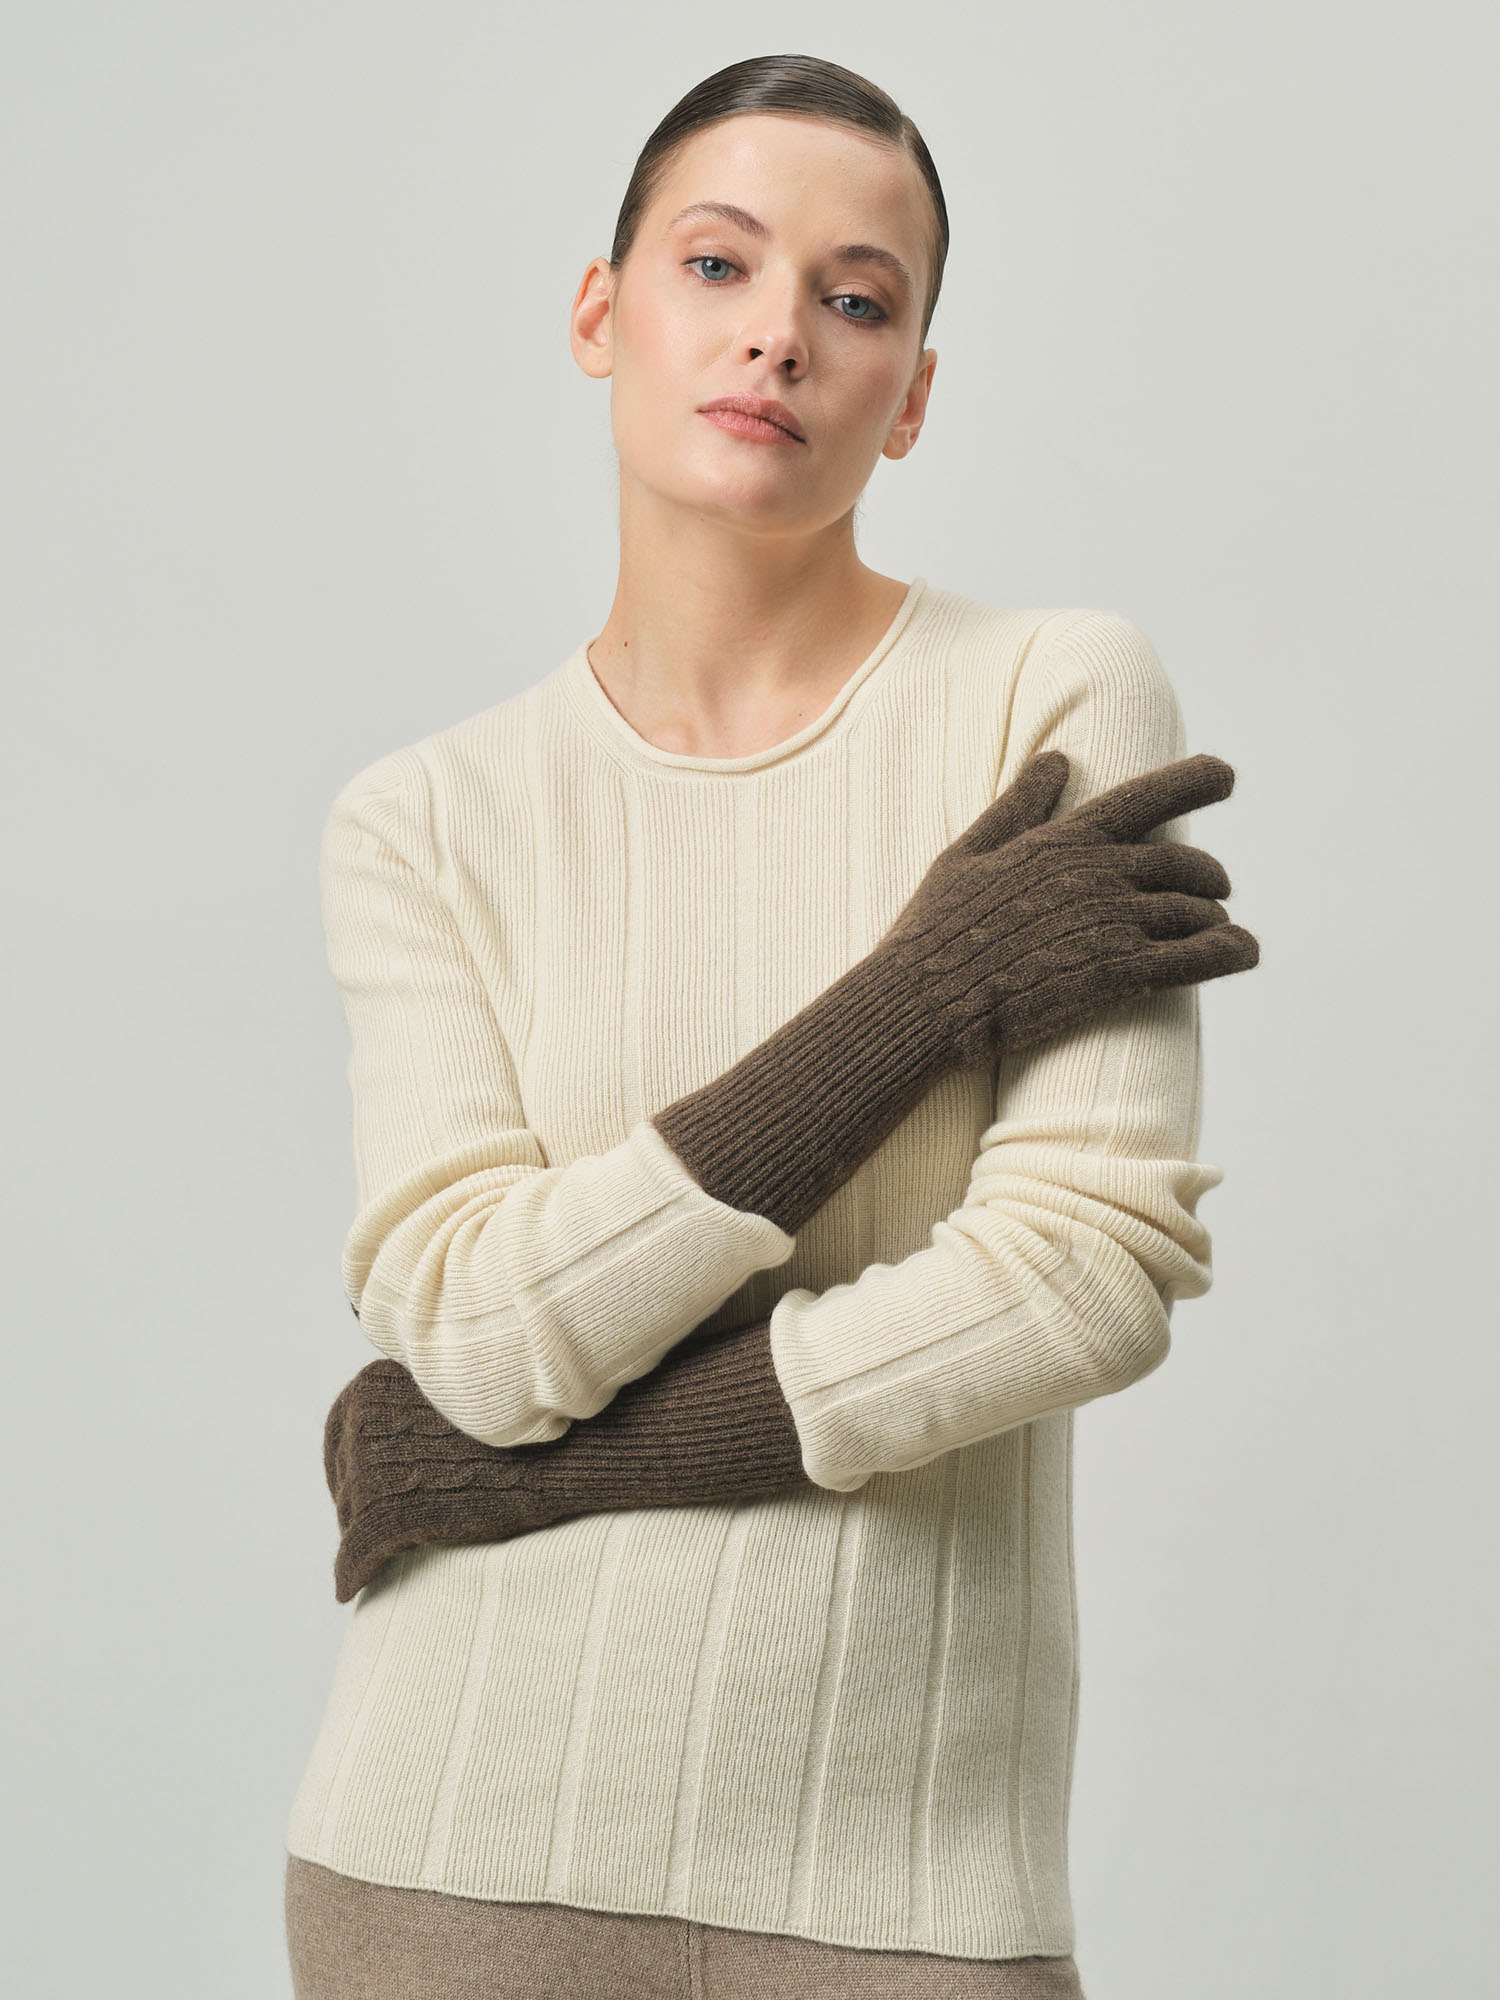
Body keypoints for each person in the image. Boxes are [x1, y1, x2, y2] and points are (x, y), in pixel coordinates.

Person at [282, 52, 1259, 2000]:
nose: (780, 334)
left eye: (857, 297)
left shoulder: (1052, 698)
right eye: (717, 265)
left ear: (914, 393)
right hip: (446, 1850)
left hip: (910, 1889)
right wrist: (923, 994)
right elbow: (477, 1330)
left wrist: (526, 1474)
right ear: (602, 312)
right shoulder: (425, 818)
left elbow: (1082, 1279)